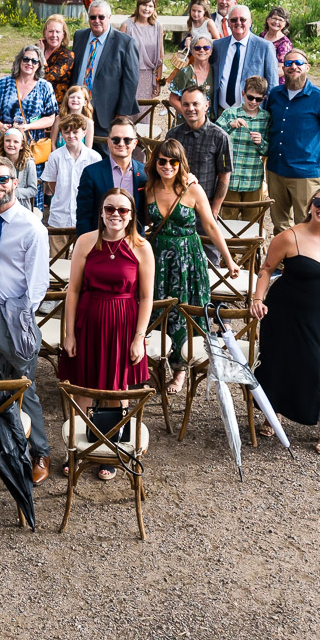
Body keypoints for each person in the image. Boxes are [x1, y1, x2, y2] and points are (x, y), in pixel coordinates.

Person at [59, 187, 155, 479]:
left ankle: (113, 452)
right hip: (88, 320)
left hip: (123, 324)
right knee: (83, 387)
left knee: (117, 389)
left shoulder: (141, 247)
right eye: (110, 209)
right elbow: (73, 290)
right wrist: (69, 334)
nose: (116, 214)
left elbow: (146, 297)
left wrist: (139, 337)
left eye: (122, 210)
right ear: (101, 212)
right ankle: (75, 450)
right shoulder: (86, 242)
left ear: (131, 216)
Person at [250, 187, 320, 454]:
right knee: (278, 362)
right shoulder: (289, 237)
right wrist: (258, 300)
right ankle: (272, 415)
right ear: (310, 206)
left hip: (316, 316)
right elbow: (267, 268)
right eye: (318, 202)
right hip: (283, 310)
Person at [144, 138, 238, 398]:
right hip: (158, 256)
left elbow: (210, 226)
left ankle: (181, 368)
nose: (167, 165)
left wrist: (228, 259)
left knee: (185, 309)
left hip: (187, 258)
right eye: (162, 160)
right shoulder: (149, 187)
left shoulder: (192, 189)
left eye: (173, 161)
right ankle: (152, 364)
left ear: (180, 163)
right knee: (156, 307)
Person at [0, 156, 52, 484]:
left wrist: (19, 323)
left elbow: (38, 286)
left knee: (25, 386)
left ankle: (40, 452)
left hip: (16, 318)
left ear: (15, 182)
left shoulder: (32, 227)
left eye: (3, 180)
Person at [265, 50, 320, 232]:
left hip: (305, 172)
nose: (294, 66)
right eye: (289, 63)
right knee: (280, 223)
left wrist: (319, 150)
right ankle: (285, 259)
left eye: (299, 63)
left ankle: (306, 260)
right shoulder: (275, 95)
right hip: (276, 168)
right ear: (283, 68)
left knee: (307, 223)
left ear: (307, 67)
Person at [70, 0, 142, 133]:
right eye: (93, 17)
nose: (97, 20)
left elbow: (131, 81)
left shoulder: (125, 43)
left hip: (106, 113)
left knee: (103, 152)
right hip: (78, 108)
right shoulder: (80, 36)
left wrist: (122, 114)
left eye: (101, 17)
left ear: (109, 17)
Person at [166, 85, 232, 225]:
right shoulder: (172, 135)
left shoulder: (220, 137)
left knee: (208, 247)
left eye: (195, 104)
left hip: (204, 209)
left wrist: (214, 210)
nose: (190, 108)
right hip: (175, 206)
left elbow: (224, 175)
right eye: (186, 104)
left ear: (206, 105)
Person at [75, 115, 147, 235]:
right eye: (116, 139)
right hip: (100, 243)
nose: (121, 143)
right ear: (108, 141)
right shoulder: (91, 173)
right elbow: (84, 217)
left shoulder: (145, 173)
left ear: (135, 143)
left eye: (127, 140)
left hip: (133, 242)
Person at [211, 4, 280, 119]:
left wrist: (269, 114)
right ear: (228, 23)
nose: (238, 23)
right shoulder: (218, 45)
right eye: (233, 20)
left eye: (242, 19)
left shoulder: (265, 47)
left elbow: (272, 85)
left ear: (250, 22)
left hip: (252, 115)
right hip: (221, 113)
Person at [0, 45, 59, 145]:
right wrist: (0, 126)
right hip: (5, 142)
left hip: (33, 144)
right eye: (26, 59)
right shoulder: (2, 83)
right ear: (19, 61)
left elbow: (50, 118)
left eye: (34, 61)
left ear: (39, 65)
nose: (29, 63)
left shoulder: (45, 87)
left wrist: (29, 126)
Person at [42, 113, 101, 229]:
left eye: (75, 132)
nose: (71, 136)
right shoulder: (55, 156)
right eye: (67, 132)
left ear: (84, 133)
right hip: (60, 215)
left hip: (85, 216)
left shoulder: (94, 157)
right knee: (58, 247)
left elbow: (97, 185)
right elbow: (52, 183)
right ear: (62, 134)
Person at [218, 77, 271, 205]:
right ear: (243, 94)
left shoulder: (266, 118)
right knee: (227, 220)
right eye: (250, 97)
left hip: (252, 179)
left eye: (258, 99)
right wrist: (229, 126)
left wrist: (261, 143)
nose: (253, 102)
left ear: (263, 98)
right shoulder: (230, 113)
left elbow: (269, 150)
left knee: (251, 220)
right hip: (229, 179)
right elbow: (214, 139)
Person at [119, 0, 166, 110]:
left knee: (144, 112)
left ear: (154, 9)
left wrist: (158, 83)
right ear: (138, 5)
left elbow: (160, 57)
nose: (147, 9)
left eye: (150, 6)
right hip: (129, 74)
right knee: (127, 112)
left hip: (148, 76)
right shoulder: (126, 25)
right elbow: (118, 55)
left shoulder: (158, 27)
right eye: (144, 5)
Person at [0, 127, 40, 212]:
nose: (11, 144)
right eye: (8, 141)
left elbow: (32, 190)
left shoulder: (28, 163)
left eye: (16, 142)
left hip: (21, 207)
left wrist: (10, 192)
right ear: (3, 143)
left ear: (21, 146)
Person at [168, 33, 215, 114]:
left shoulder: (215, 71)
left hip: (208, 122)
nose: (202, 50)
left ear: (211, 51)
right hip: (187, 121)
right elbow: (173, 99)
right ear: (192, 51)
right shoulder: (184, 72)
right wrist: (189, 115)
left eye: (206, 48)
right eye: (197, 48)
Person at [39, 14, 76, 106]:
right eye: (50, 31)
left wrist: (41, 55)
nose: (54, 35)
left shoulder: (67, 55)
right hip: (36, 100)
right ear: (45, 33)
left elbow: (48, 76)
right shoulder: (37, 49)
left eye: (57, 32)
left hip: (55, 105)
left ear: (63, 35)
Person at [55, 84, 97, 150]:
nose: (75, 100)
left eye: (79, 98)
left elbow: (88, 147)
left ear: (85, 103)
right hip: (59, 157)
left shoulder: (88, 122)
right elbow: (52, 142)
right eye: (72, 97)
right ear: (67, 100)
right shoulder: (59, 118)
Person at [261, 7, 292, 81]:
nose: (276, 22)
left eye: (280, 20)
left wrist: (260, 73)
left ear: (285, 24)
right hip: (260, 80)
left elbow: (281, 70)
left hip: (276, 81)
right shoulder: (262, 35)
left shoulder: (285, 44)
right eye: (274, 18)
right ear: (268, 20)